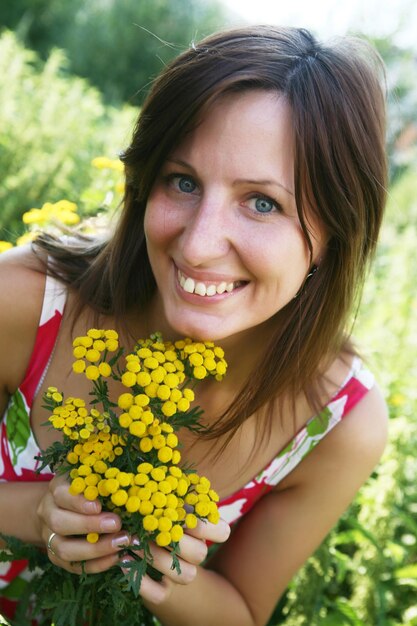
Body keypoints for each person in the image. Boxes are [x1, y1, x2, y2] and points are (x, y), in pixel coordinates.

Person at [0, 24, 388, 626]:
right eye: (182, 181)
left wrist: (160, 568)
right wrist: (37, 513)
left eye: (262, 202)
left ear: (336, 234)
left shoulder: (339, 424)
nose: (200, 245)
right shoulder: (22, 302)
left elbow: (242, 613)